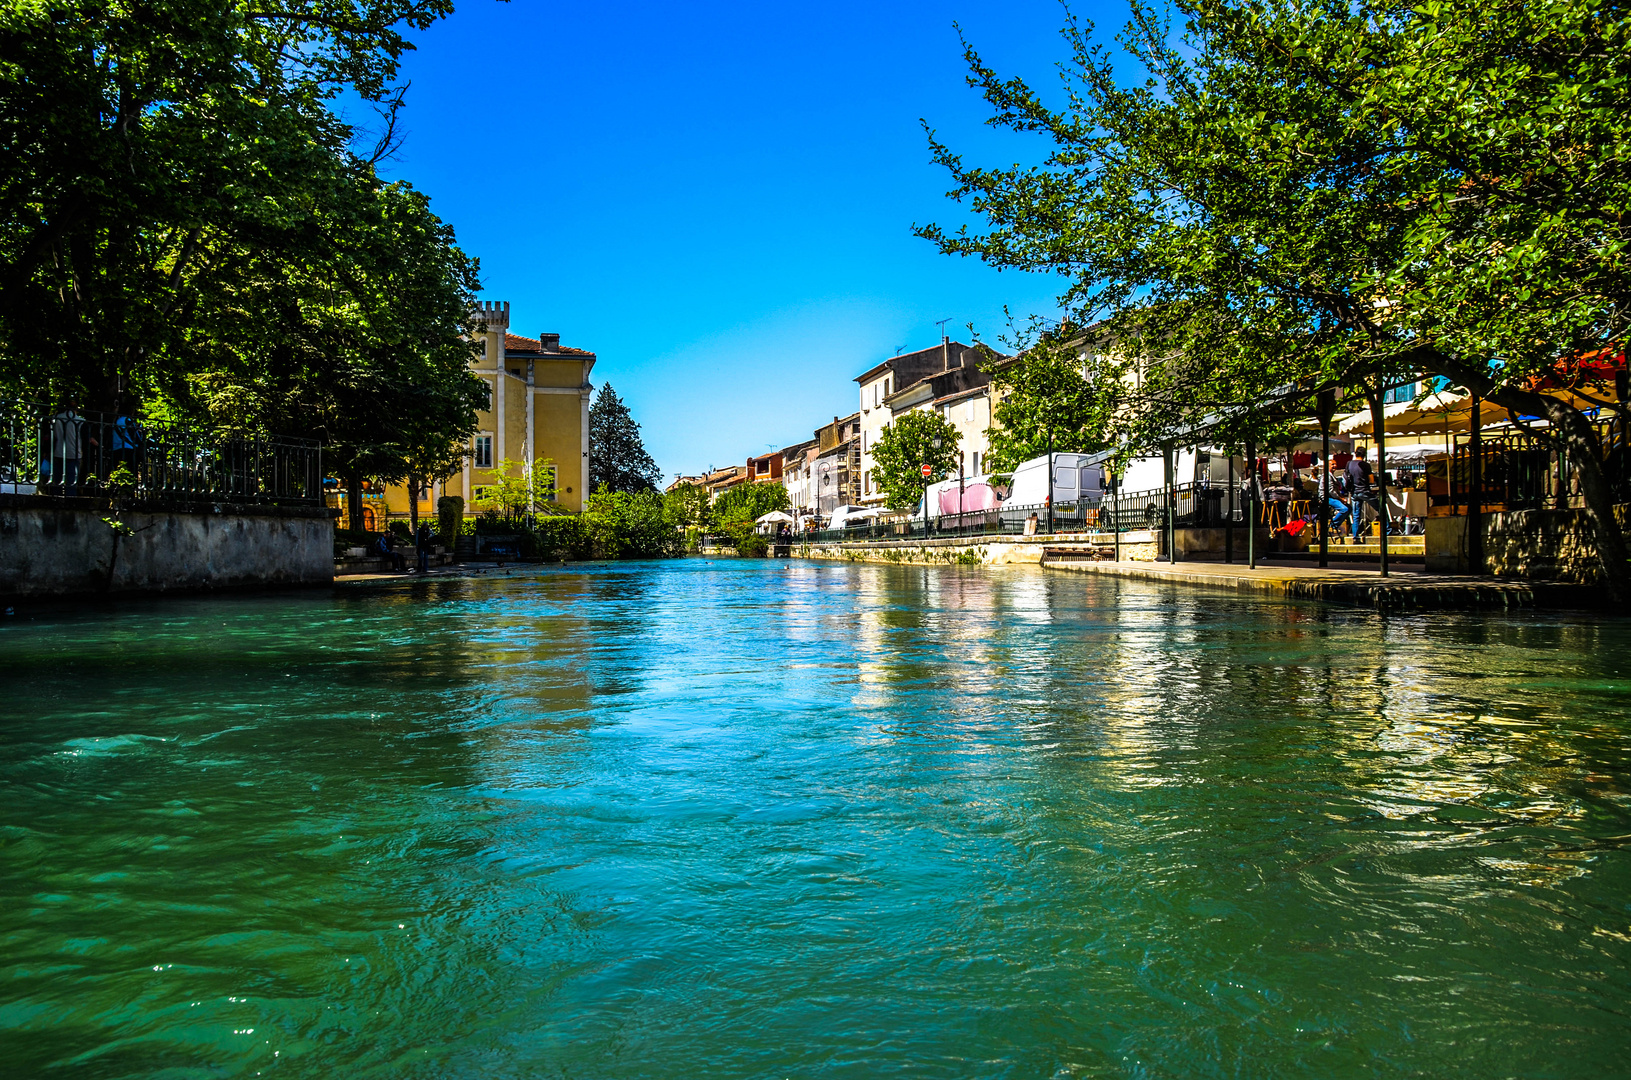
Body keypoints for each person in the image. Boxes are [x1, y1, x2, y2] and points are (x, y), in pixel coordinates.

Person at [1345, 451, 1376, 539]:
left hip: (1354, 492)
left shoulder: (1349, 464)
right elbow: (1371, 480)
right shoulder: (1365, 465)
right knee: (1380, 508)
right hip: (1364, 491)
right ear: (1364, 455)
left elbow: (1346, 476)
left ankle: (1355, 536)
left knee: (1356, 515)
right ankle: (1388, 530)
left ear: (1355, 454)